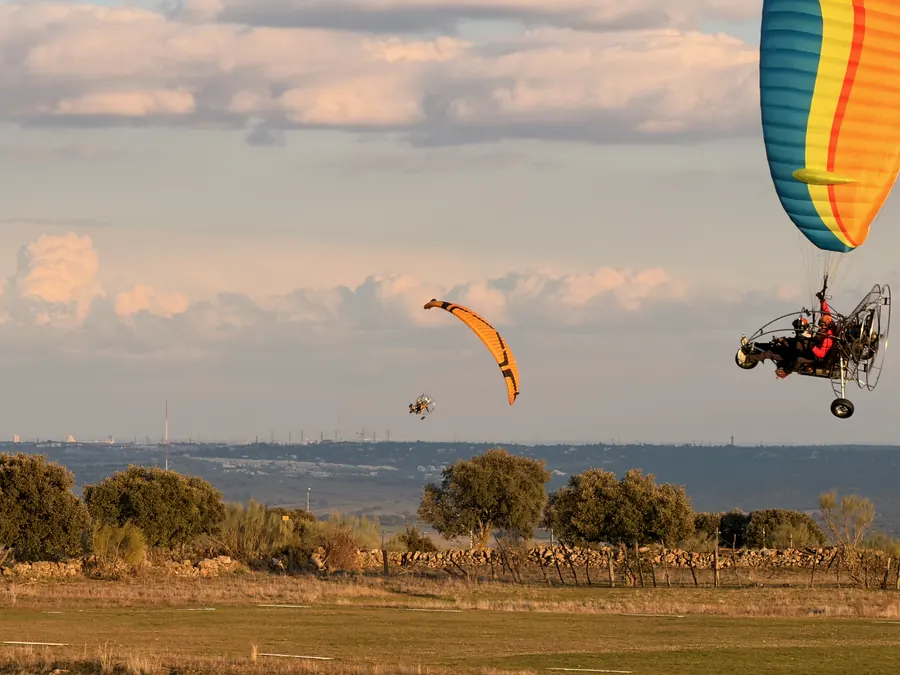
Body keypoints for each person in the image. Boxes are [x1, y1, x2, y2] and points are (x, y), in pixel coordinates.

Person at [775, 290, 835, 378]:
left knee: (799, 359)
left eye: (822, 326)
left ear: (827, 325)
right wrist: (822, 300)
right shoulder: (829, 323)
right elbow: (825, 312)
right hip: (815, 347)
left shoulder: (828, 338)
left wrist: (812, 346)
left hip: (817, 358)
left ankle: (786, 372)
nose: (820, 327)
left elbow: (821, 354)